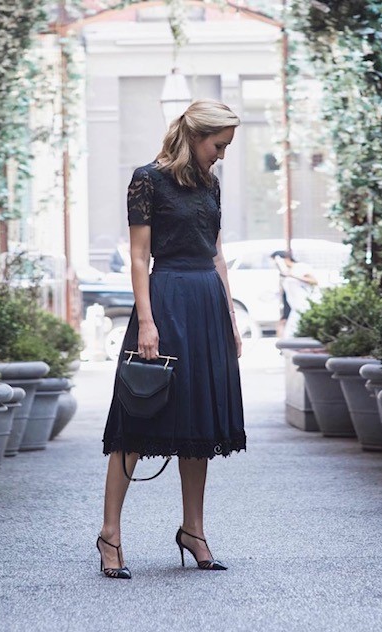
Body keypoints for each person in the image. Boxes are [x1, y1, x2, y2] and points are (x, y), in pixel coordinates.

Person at [97, 99, 246, 579]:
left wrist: (230, 316)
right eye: (218, 145)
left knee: (199, 424)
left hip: (205, 303)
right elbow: (139, 258)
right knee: (136, 418)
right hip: (163, 302)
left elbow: (217, 255)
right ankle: (110, 535)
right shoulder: (148, 179)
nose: (221, 154)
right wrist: (146, 321)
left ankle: (193, 530)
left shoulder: (210, 185)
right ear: (196, 137)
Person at [271, 250, 319, 338]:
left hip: (305, 305)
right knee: (289, 334)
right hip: (294, 307)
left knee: (292, 333)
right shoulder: (284, 274)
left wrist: (292, 275)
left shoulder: (300, 267)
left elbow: (314, 281)